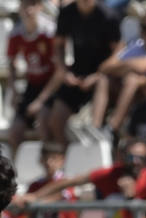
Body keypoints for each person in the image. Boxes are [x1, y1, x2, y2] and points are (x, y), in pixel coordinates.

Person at [36, 0, 121, 144]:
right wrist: (64, 71)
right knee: (56, 118)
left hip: (103, 76)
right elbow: (58, 46)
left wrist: (97, 75)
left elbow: (118, 52)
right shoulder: (67, 13)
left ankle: (96, 137)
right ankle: (66, 157)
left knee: (102, 85)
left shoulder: (107, 15)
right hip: (77, 73)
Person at [101, 12, 146, 136]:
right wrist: (130, 64)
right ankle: (95, 126)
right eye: (145, 33)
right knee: (102, 80)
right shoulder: (136, 45)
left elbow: (143, 67)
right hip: (135, 88)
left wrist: (124, 66)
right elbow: (105, 68)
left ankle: (113, 126)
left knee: (132, 79)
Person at [6, 0, 56, 154]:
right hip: (32, 84)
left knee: (43, 121)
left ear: (40, 7)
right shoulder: (15, 33)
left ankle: (48, 165)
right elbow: (11, 63)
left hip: (52, 85)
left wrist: (41, 101)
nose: (28, 9)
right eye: (25, 5)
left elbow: (60, 70)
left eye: (32, 4)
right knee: (15, 131)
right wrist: (13, 91)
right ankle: (14, 170)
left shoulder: (49, 32)